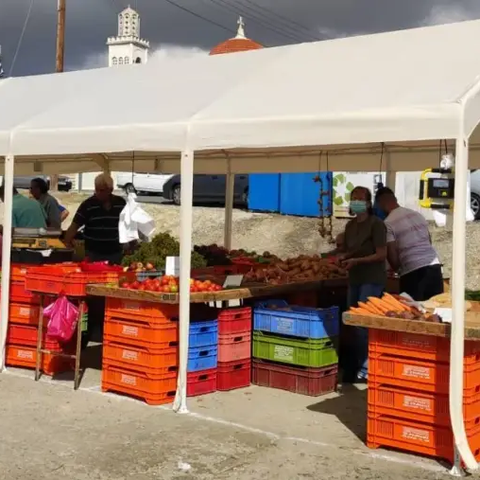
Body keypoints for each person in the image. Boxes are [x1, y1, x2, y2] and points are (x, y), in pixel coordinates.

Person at [339, 186, 387, 382]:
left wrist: (356, 261)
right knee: (352, 321)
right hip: (355, 278)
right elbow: (352, 251)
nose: (356, 201)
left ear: (368, 203)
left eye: (360, 198)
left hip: (372, 278)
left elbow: (381, 254)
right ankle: (357, 365)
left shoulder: (377, 225)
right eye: (353, 197)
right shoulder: (350, 227)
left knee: (363, 324)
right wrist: (342, 256)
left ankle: (367, 368)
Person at [374, 186, 443, 301]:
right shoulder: (417, 215)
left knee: (413, 311)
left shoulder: (387, 223)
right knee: (434, 309)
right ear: (395, 199)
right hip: (434, 265)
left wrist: (394, 268)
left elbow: (393, 257)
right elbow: (429, 241)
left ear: (380, 203)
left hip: (412, 272)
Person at [64, 173, 126, 264]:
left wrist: (131, 245)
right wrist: (67, 242)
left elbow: (128, 225)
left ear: (110, 190)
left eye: (101, 190)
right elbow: (74, 226)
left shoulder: (121, 203)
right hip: (92, 253)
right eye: (96, 189)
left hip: (115, 253)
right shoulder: (87, 205)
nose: (98, 193)